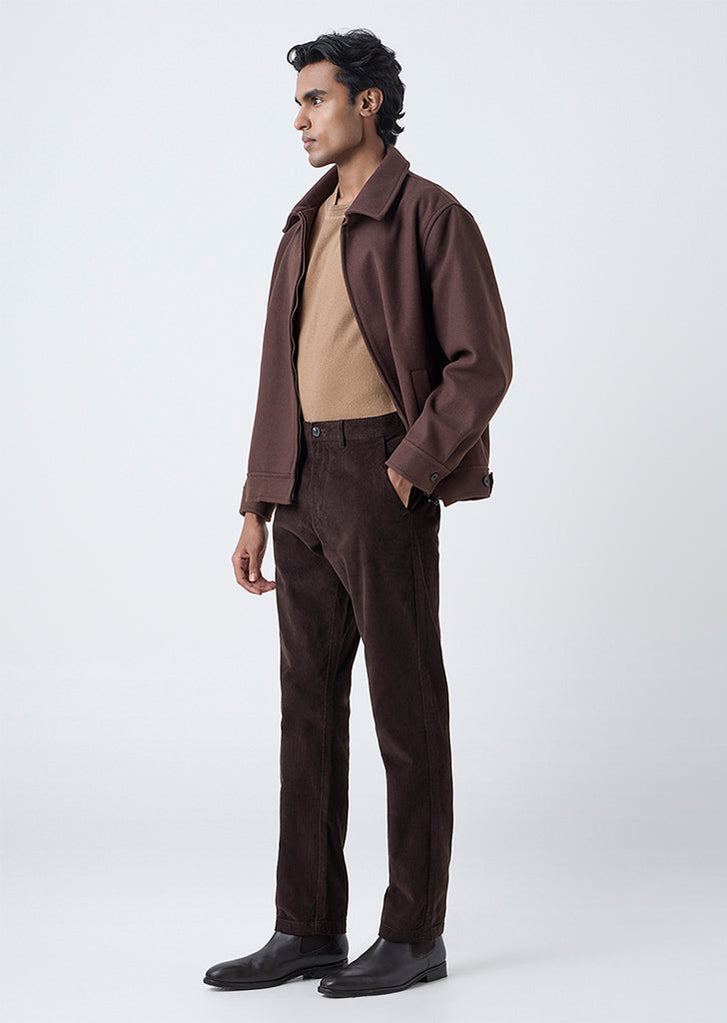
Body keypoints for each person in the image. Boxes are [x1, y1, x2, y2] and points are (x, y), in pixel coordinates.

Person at [203, 28, 512, 999]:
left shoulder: (429, 215)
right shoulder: (303, 223)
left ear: (367, 102)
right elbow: (277, 375)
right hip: (299, 483)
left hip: (380, 475)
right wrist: (257, 501)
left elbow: (481, 365)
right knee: (306, 713)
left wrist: (407, 470)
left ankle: (413, 934)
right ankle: (306, 927)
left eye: (315, 99)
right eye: (297, 102)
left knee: (405, 714)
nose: (299, 119)